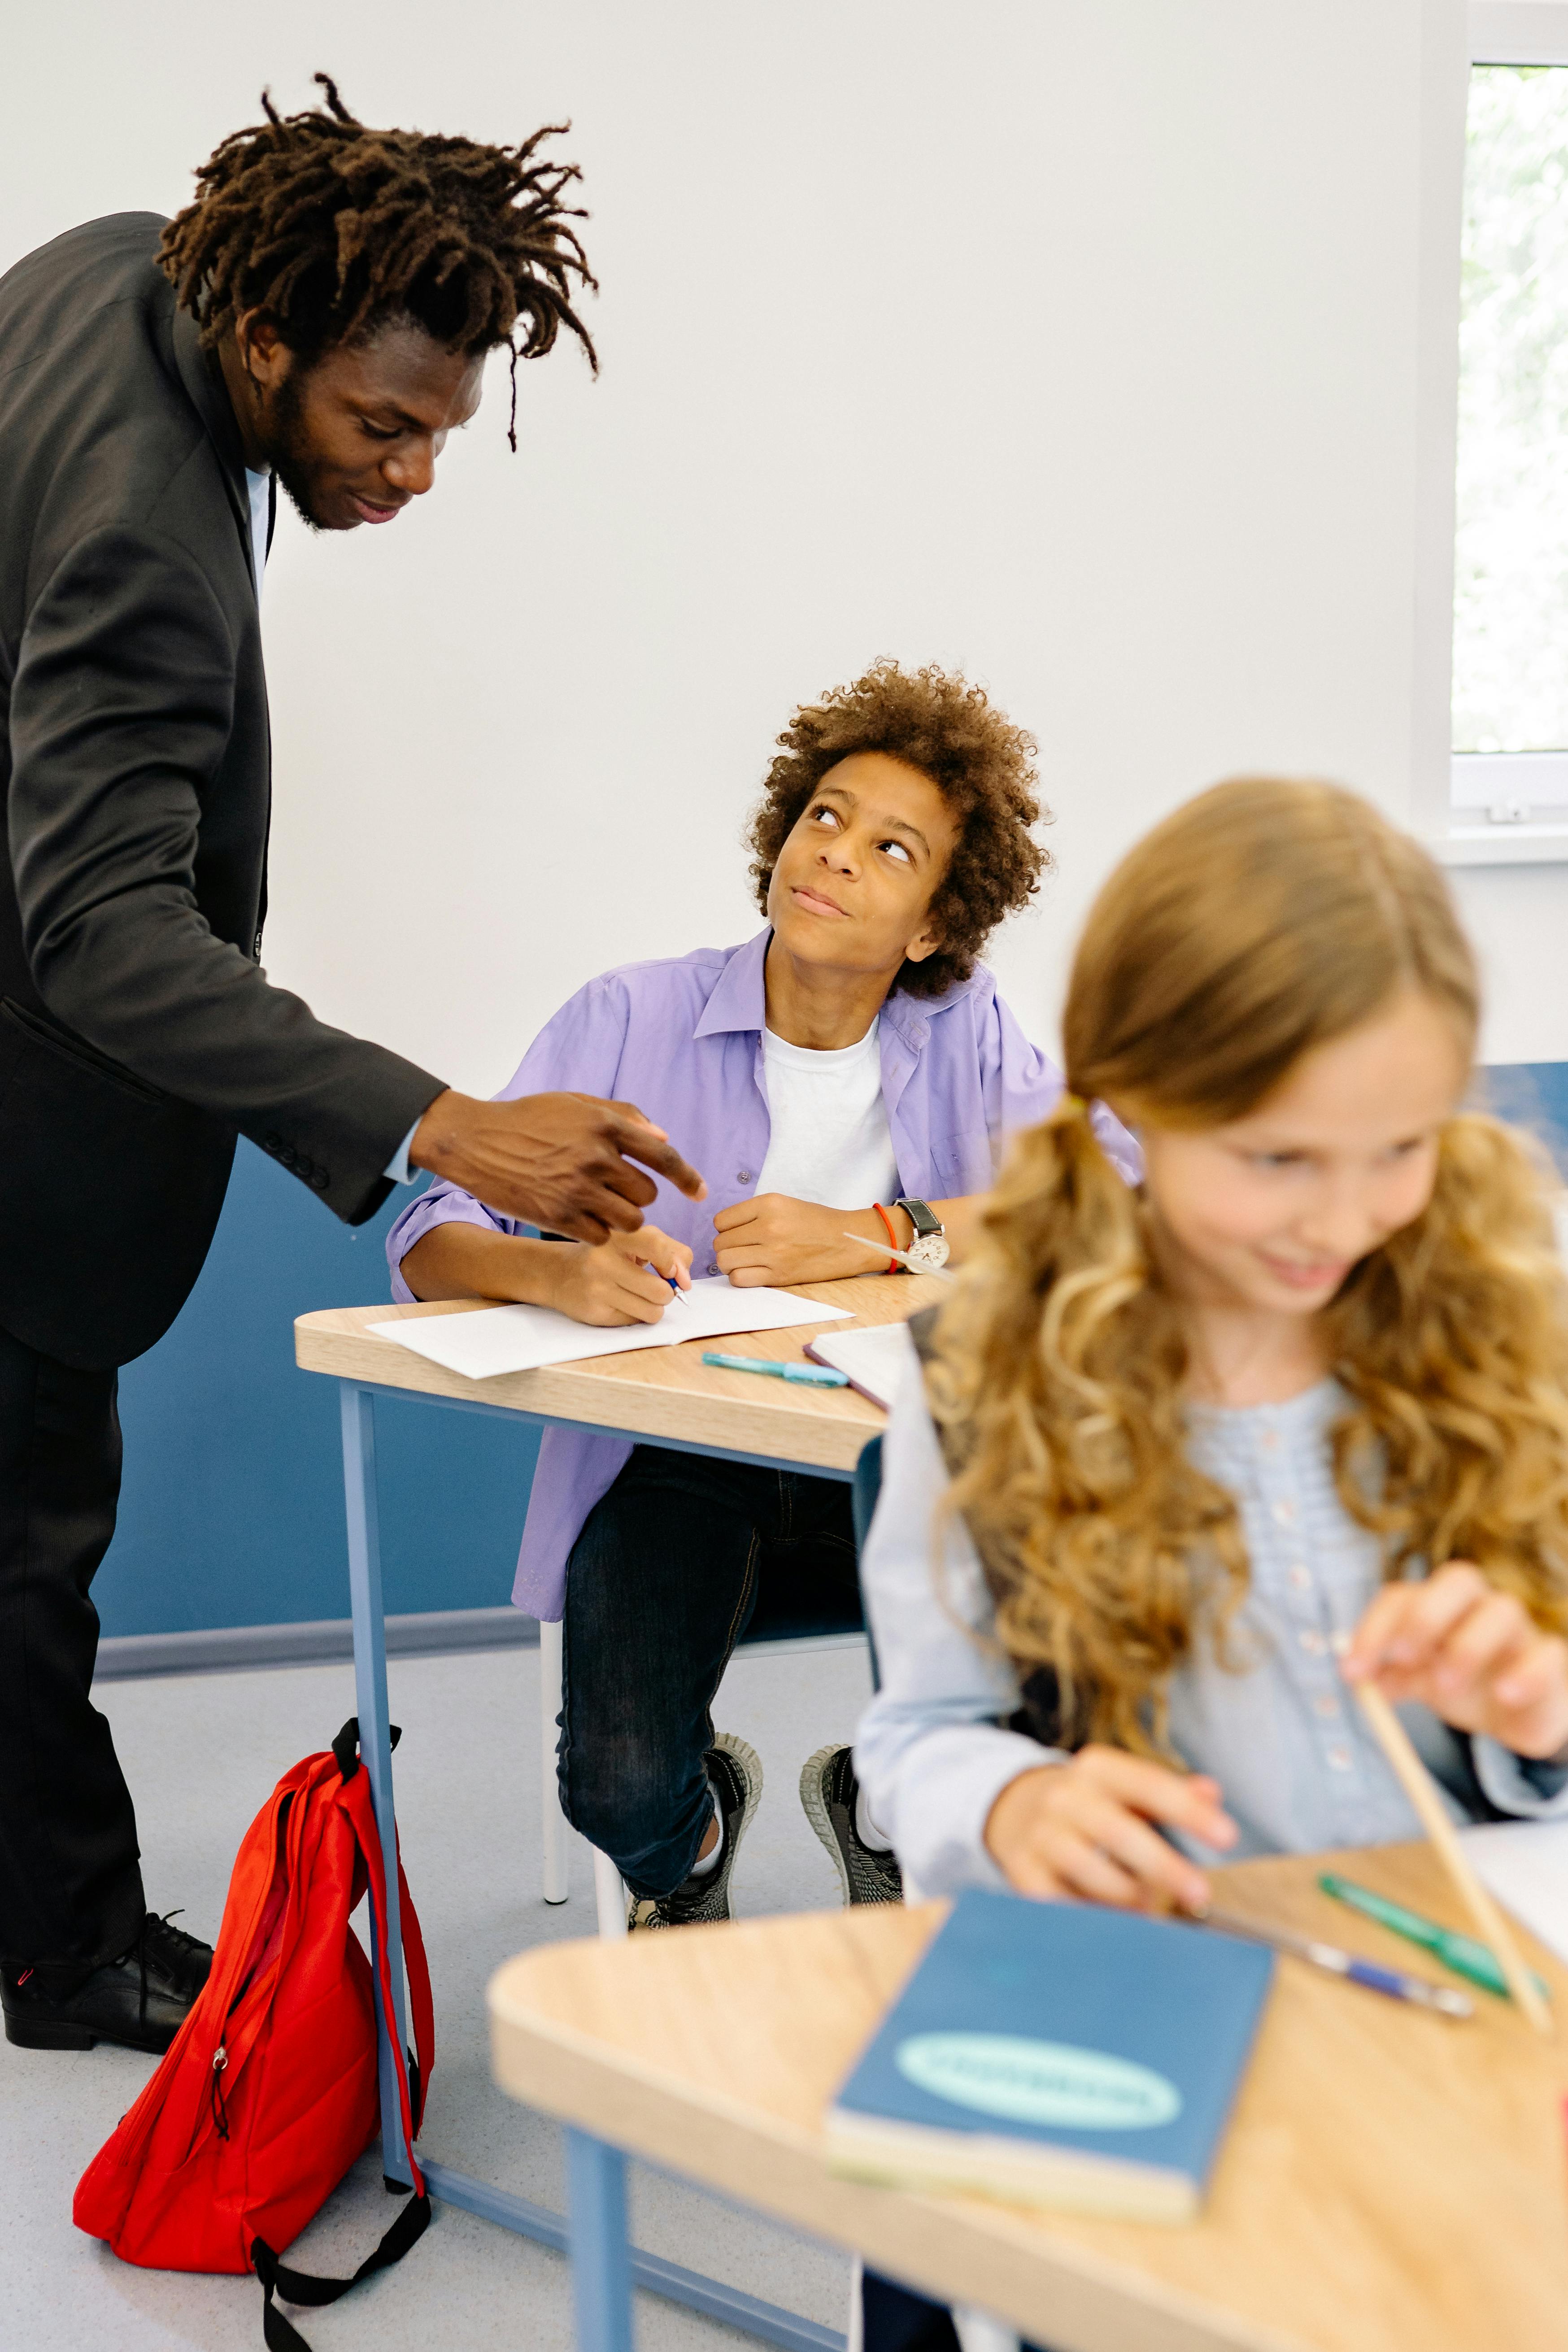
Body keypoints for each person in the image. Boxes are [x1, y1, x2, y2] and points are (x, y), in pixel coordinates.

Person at [0, 80, 703, 2057]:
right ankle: (57, 1957)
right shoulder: (149, 522)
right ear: (261, 346)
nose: (406, 478)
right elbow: (104, 931)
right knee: (27, 1556)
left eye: (439, 431)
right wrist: (447, 1126)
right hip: (29, 1107)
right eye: (377, 427)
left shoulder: (115, 265)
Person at [851, 775, 1568, 2351]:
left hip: (1442, 2009)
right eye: (1274, 1158)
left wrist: (1541, 1707)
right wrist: (1020, 1800)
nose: (1348, 1216)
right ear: (1135, 1102)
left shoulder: (1508, 1315)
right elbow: (913, 1747)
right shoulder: (992, 1372)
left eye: (1400, 1150)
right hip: (1151, 2022)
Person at [388, 660, 1137, 1928]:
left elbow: (1107, 1191)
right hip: (684, 1458)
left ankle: (882, 1799)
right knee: (619, 1792)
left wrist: (878, 1233)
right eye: (827, 815)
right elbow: (431, 1226)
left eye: (891, 848)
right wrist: (559, 1270)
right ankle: (699, 1838)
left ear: (933, 927)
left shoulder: (969, 1030)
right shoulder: (630, 1013)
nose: (835, 853)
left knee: (1063, 1687)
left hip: (906, 1456)